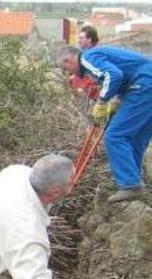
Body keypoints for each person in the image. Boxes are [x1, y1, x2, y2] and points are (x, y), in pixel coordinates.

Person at [59, 45, 152, 202]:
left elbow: (114, 75)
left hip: (144, 85)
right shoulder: (96, 55)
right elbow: (123, 74)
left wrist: (102, 102)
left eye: (66, 69)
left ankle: (130, 185)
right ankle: (133, 184)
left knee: (114, 136)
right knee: (135, 139)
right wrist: (116, 101)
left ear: (67, 60)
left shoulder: (87, 58)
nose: (70, 73)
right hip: (145, 84)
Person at [69, 25, 100, 100]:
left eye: (81, 38)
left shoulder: (96, 55)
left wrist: (83, 88)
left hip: (93, 98)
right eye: (79, 38)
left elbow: (95, 77)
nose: (79, 41)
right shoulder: (82, 54)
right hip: (81, 96)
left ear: (89, 39)